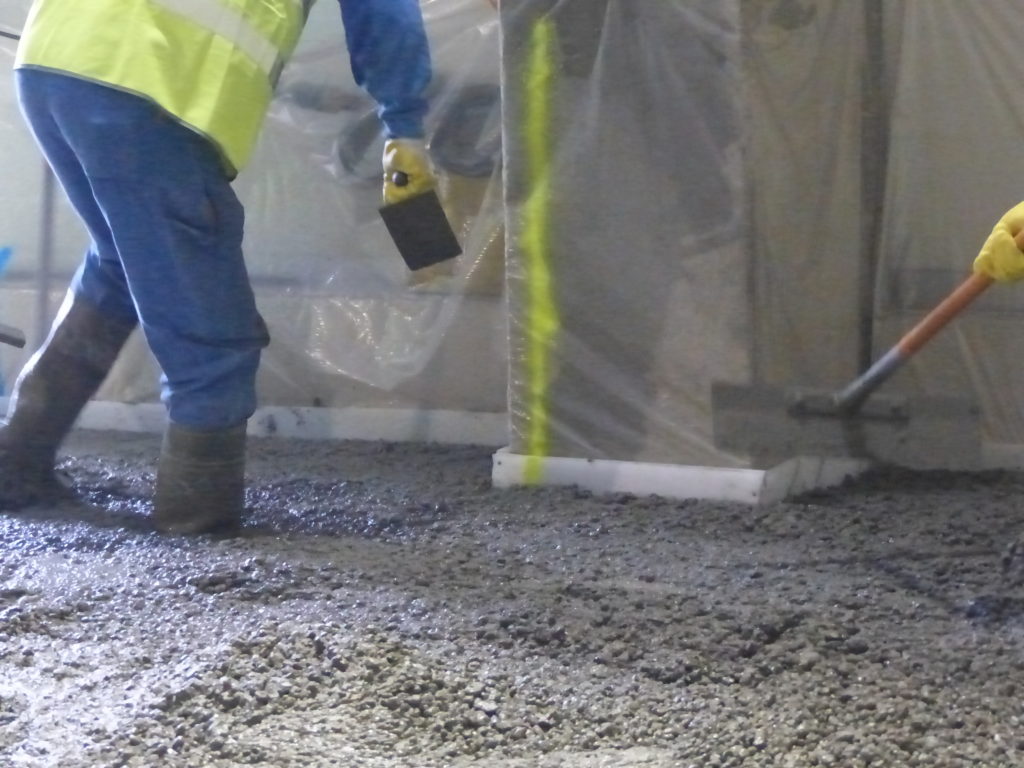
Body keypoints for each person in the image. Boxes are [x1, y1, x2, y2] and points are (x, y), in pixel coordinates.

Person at [0, 0, 436, 533]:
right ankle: (198, 524)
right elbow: (385, 13)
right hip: (150, 84)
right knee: (212, 328)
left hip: (53, 58)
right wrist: (404, 126)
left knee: (120, 260)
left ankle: (15, 464)